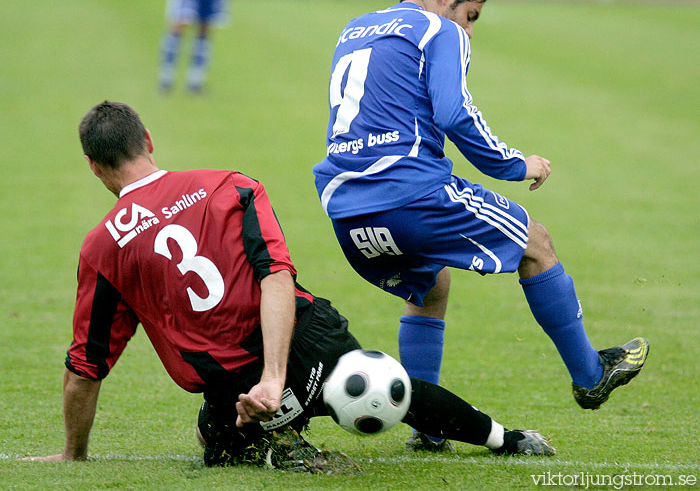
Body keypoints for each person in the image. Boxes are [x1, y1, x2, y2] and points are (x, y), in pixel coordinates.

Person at [26, 101, 554, 470]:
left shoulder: (103, 247)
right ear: (147, 140)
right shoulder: (228, 184)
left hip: (236, 390)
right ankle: (508, 439)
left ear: (94, 167)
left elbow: (86, 367)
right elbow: (275, 275)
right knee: (384, 386)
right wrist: (277, 374)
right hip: (305, 345)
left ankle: (279, 433)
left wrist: (75, 454)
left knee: (219, 441)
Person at [312, 0, 649, 451]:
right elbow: (454, 113)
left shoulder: (355, 28)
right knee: (536, 243)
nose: (468, 31)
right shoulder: (438, 29)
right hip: (411, 194)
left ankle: (428, 428)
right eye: (471, 17)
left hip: (346, 210)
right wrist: (518, 164)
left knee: (429, 287)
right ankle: (590, 374)